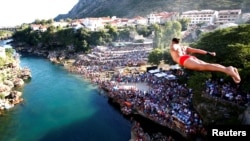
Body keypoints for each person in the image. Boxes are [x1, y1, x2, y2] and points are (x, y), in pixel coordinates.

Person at [169, 37, 241, 83]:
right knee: (207, 65)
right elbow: (197, 50)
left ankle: (226, 70)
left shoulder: (174, 46)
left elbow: (174, 47)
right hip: (190, 57)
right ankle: (226, 68)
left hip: (183, 60)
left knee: (203, 67)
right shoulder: (184, 47)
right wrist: (209, 53)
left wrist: (174, 46)